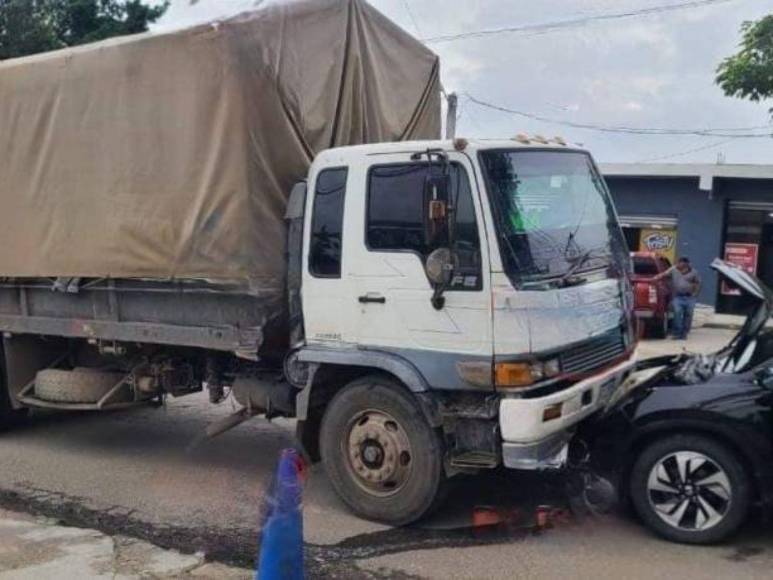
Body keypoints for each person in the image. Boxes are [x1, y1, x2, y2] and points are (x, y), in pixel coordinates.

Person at [654, 256, 702, 340]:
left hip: (689, 297)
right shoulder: (673, 270)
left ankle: (684, 333)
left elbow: (698, 283)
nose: (680, 264)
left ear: (687, 264)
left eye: (682, 263)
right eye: (679, 263)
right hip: (678, 297)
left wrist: (695, 294)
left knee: (688, 315)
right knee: (677, 313)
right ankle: (677, 333)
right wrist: (655, 278)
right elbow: (663, 274)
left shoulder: (694, 272)